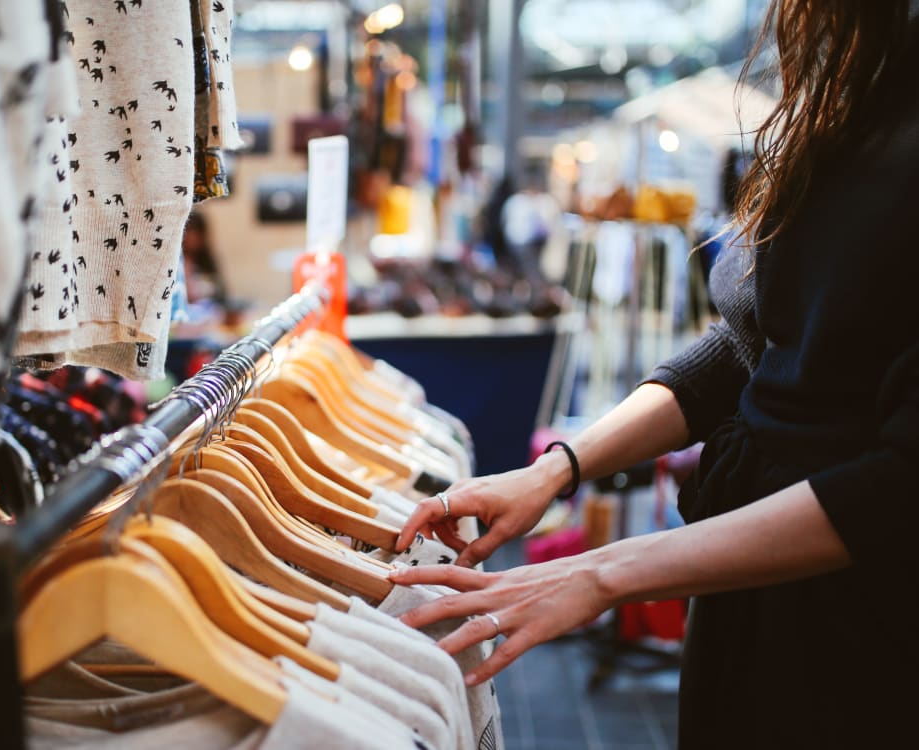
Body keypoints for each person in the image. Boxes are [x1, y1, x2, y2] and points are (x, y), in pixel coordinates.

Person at [388, 3, 919, 748]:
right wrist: (555, 471)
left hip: (857, 621)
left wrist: (602, 573)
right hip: (748, 589)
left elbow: (899, 487)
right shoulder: (854, 95)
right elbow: (753, 345)